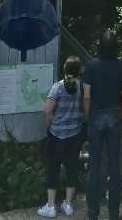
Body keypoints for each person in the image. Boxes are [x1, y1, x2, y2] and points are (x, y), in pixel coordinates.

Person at [83, 30, 122, 220]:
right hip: (113, 115)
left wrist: (87, 116)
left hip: (95, 115)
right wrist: (120, 114)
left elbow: (86, 95)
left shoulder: (91, 66)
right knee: (115, 167)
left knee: (94, 166)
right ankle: (113, 213)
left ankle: (92, 212)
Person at [38, 57, 85, 218]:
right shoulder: (82, 88)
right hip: (74, 134)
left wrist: (49, 125)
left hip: (56, 135)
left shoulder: (57, 87)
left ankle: (51, 206)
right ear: (79, 71)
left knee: (53, 168)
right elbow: (84, 109)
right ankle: (68, 204)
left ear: (64, 69)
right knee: (72, 168)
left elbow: (47, 111)